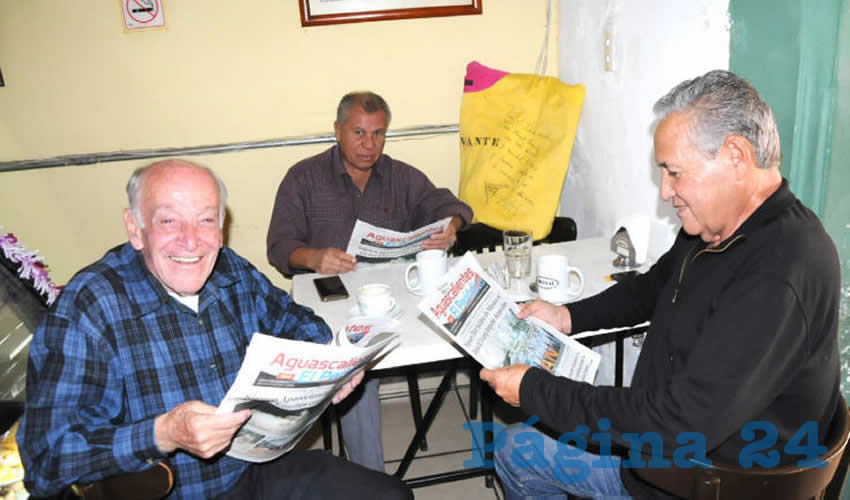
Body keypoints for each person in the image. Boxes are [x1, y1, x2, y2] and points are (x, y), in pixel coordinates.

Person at [480, 70, 841, 499]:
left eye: (674, 173)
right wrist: (568, 315)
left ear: (736, 157)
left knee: (516, 448)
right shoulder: (718, 227)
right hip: (669, 448)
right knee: (517, 445)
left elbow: (677, 425)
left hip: (697, 480)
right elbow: (657, 285)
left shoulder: (778, 272)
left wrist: (535, 390)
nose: (666, 193)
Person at [18, 159, 412, 499]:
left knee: (390, 494)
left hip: (253, 471)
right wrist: (164, 433)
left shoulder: (230, 269)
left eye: (206, 219)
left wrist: (331, 364)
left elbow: (296, 320)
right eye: (168, 220)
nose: (191, 241)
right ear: (135, 228)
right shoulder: (91, 306)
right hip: (170, 493)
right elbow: (45, 459)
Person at [267, 91, 473, 470]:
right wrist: (314, 257)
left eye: (378, 134)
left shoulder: (399, 175)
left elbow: (451, 205)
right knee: (356, 367)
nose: (369, 145)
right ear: (337, 131)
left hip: (390, 299)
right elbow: (279, 247)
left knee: (465, 325)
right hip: (329, 301)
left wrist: (451, 227)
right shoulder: (304, 177)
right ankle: (371, 479)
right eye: (359, 133)